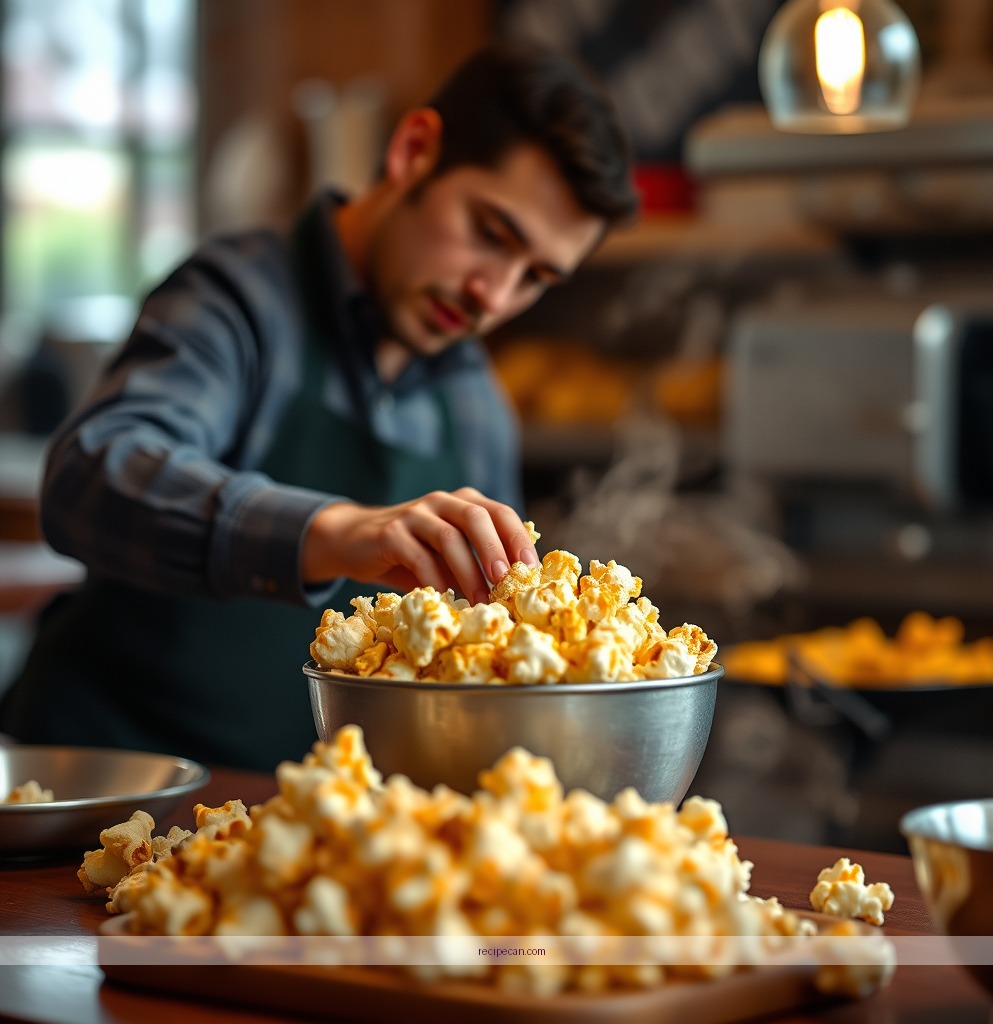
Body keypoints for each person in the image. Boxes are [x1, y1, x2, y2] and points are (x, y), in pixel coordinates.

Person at [0, 41, 638, 770]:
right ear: (414, 150)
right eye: (490, 234)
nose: (494, 295)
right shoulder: (238, 300)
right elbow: (91, 476)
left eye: (536, 277)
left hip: (295, 817)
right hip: (98, 781)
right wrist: (339, 531)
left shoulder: (478, 408)